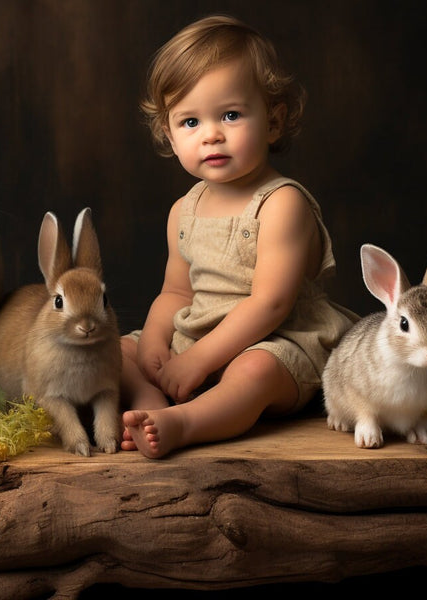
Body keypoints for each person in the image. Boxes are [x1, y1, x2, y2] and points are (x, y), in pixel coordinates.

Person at [121, 14, 355, 458]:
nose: (211, 135)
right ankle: (147, 400)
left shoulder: (282, 203)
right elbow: (174, 291)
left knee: (253, 372)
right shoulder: (183, 211)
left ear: (272, 121)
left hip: (279, 341)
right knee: (114, 350)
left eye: (231, 115)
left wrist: (198, 360)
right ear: (168, 135)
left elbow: (271, 303)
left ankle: (184, 422)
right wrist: (154, 343)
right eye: (190, 122)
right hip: (200, 336)